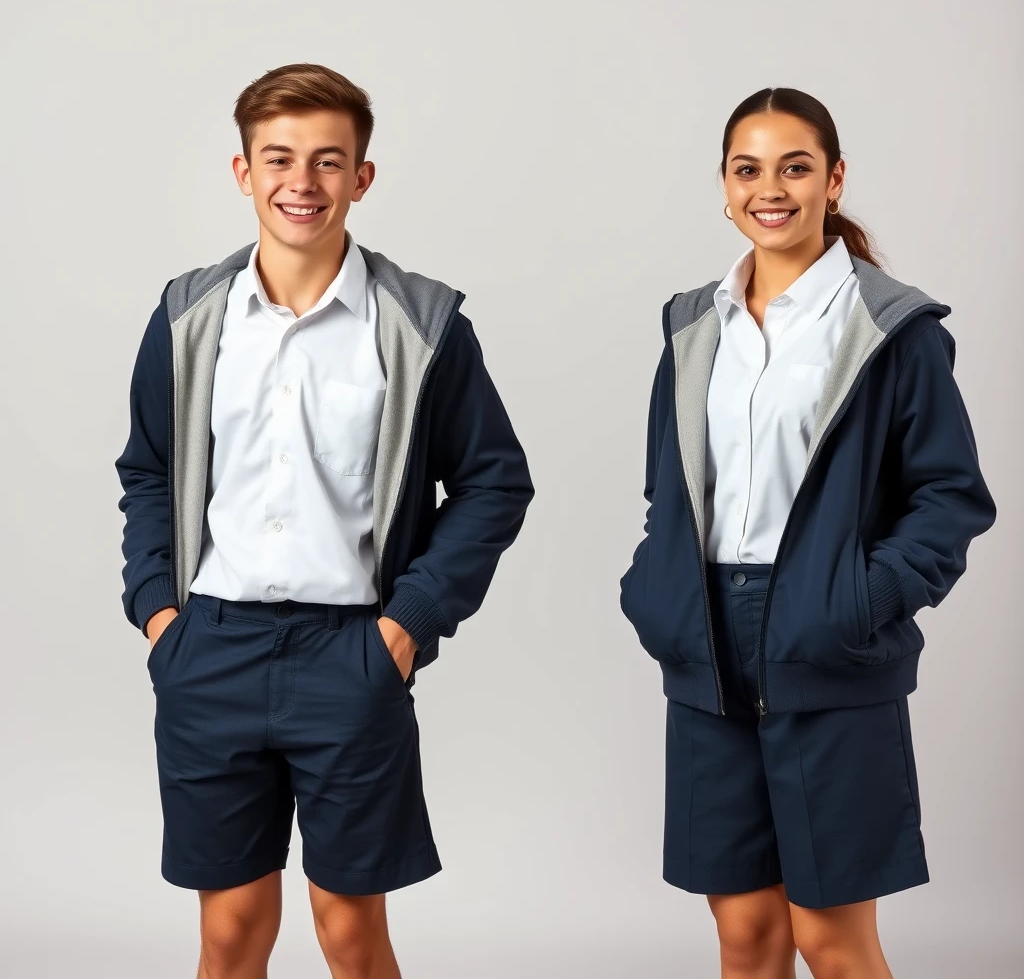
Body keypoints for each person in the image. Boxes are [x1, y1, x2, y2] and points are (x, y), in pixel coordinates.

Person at [115, 62, 533, 979]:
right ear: (242, 172)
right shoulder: (189, 316)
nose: (301, 183)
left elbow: (496, 483)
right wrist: (158, 614)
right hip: (208, 650)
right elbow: (148, 470)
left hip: (350, 656)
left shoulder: (421, 326)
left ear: (361, 178)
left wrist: (406, 625)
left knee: (350, 931)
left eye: (327, 161)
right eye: (279, 159)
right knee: (229, 935)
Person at [619, 87, 996, 978]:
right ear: (724, 186)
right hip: (707, 650)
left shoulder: (887, 328)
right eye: (748, 169)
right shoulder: (692, 327)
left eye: (795, 167)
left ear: (834, 179)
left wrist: (855, 603)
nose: (771, 189)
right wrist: (657, 593)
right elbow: (665, 492)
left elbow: (950, 497)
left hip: (828, 643)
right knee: (745, 935)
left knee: (830, 939)